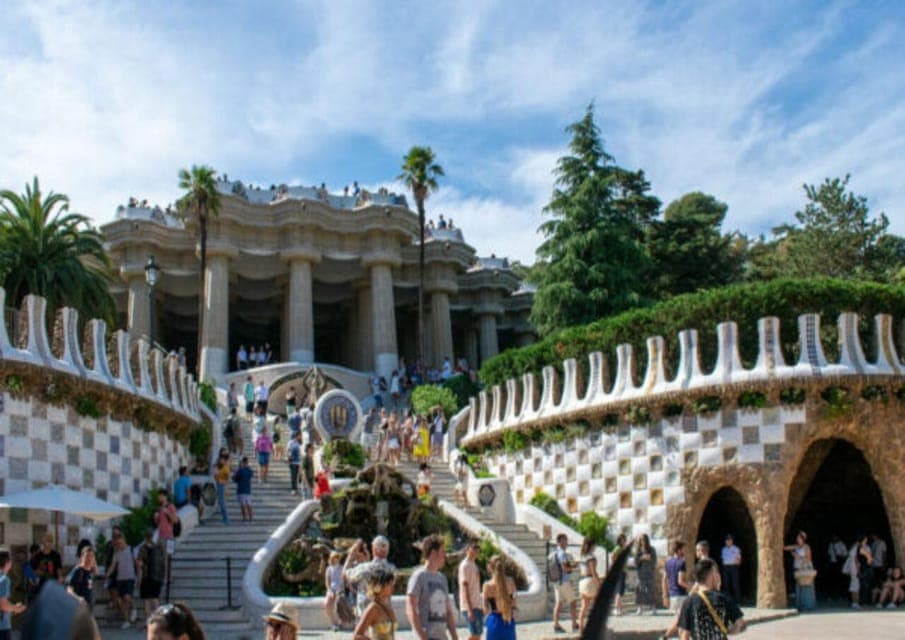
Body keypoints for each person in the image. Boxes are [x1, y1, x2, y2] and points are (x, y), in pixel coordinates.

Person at [677, 558, 745, 640]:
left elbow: (684, 634)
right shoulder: (724, 598)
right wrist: (729, 631)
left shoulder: (689, 602)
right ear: (712, 575)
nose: (719, 575)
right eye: (716, 572)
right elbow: (740, 624)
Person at [406, 534, 458, 640]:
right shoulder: (418, 576)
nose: (445, 555)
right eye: (443, 551)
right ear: (434, 553)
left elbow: (448, 610)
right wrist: (422, 636)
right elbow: (411, 609)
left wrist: (454, 636)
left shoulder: (442, 578)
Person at [345, 536, 396, 616]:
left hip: (365, 611)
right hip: (384, 611)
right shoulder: (392, 569)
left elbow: (346, 574)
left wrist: (351, 555)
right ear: (387, 550)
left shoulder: (364, 568)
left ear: (373, 548)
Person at [354, 567, 397, 640]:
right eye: (389, 584)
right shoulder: (373, 608)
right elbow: (357, 636)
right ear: (379, 587)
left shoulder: (387, 605)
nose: (392, 587)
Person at [482, 555, 516, 640]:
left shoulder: (487, 585)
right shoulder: (510, 582)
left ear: (490, 567)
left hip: (494, 621)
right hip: (508, 619)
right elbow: (514, 602)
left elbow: (485, 608)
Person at [138, 529, 167, 623]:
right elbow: (164, 561)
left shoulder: (143, 548)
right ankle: (158, 620)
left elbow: (140, 564)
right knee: (155, 598)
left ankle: (148, 621)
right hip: (158, 576)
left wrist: (139, 578)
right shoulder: (160, 547)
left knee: (147, 599)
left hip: (146, 576)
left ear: (145, 538)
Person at [108, 534, 137, 629]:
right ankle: (126, 620)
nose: (119, 545)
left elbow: (137, 563)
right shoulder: (117, 553)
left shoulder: (132, 550)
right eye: (117, 544)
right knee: (121, 601)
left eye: (120, 543)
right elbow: (113, 565)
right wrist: (107, 574)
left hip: (130, 578)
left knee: (127, 597)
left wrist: (140, 576)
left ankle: (134, 608)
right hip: (120, 579)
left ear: (124, 540)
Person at [551, 533, 577, 633]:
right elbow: (564, 568)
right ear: (561, 541)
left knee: (559, 603)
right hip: (563, 581)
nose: (566, 542)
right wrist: (573, 567)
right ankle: (574, 624)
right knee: (573, 602)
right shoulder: (561, 553)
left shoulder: (554, 552)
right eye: (565, 540)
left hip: (556, 581)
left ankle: (556, 624)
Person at [784, 530, 815, 611]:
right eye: (797, 538)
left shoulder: (806, 547)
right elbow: (787, 548)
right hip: (798, 569)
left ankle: (808, 605)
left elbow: (808, 559)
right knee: (799, 587)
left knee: (806, 586)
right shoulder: (797, 547)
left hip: (804, 568)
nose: (797, 540)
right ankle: (800, 605)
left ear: (803, 539)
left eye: (799, 538)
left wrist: (797, 556)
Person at [458, 540, 483, 640]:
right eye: (474, 548)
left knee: (478, 633)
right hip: (470, 606)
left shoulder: (474, 565)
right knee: (474, 634)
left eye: (477, 548)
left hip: (477, 604)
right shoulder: (465, 565)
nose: (476, 550)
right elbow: (465, 587)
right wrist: (469, 609)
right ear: (467, 550)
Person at [0, 548, 27, 640]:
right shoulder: (4, 579)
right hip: (2, 627)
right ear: (7, 562)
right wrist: (17, 608)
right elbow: (3, 605)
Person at [843, 533, 873, 608]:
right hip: (857, 567)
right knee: (856, 584)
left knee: (855, 583)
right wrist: (858, 569)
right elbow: (867, 559)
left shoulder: (854, 547)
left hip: (855, 567)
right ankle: (856, 602)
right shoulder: (861, 548)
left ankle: (856, 602)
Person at [577, 538, 600, 631]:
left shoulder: (582, 556)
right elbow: (593, 572)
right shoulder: (591, 557)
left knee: (584, 606)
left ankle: (581, 626)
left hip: (582, 581)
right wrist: (598, 583)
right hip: (589, 581)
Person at [663, 542, 690, 617]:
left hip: (672, 596)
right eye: (683, 549)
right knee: (683, 622)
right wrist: (690, 586)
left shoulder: (667, 563)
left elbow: (664, 579)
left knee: (676, 620)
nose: (684, 551)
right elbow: (680, 581)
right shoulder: (681, 563)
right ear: (679, 550)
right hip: (681, 595)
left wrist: (665, 595)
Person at [635, 534, 658, 614]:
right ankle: (640, 608)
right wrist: (641, 558)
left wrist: (649, 559)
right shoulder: (638, 551)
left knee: (651, 590)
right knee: (639, 591)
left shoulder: (652, 550)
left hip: (649, 573)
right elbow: (635, 562)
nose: (643, 542)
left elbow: (654, 561)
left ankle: (653, 607)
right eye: (641, 540)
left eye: (644, 540)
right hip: (640, 574)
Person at [154, 489, 179, 557]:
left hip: (169, 536)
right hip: (161, 536)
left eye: (161, 496)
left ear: (165, 497)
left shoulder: (171, 506)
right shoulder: (159, 508)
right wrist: (155, 518)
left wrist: (167, 512)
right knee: (161, 558)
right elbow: (157, 523)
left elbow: (175, 520)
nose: (159, 498)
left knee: (168, 557)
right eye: (158, 497)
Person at [325, 552, 344, 631]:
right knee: (327, 604)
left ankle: (339, 623)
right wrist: (329, 591)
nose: (335, 559)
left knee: (337, 604)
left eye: (336, 557)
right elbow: (327, 582)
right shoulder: (329, 569)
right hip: (331, 589)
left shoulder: (342, 568)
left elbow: (344, 581)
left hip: (340, 589)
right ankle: (333, 623)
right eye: (333, 557)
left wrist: (340, 590)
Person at [720, 534, 742, 604]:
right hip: (726, 567)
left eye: (729, 540)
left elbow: (739, 559)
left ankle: (737, 600)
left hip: (733, 567)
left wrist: (738, 564)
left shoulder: (736, 549)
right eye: (726, 540)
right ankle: (727, 600)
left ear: (732, 541)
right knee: (726, 584)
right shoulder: (723, 549)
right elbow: (722, 559)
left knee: (735, 584)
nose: (728, 541)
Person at [234, 456, 255, 521]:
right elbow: (251, 475)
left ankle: (244, 517)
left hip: (241, 489)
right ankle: (251, 517)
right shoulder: (249, 470)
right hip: (248, 489)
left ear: (242, 462)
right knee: (249, 503)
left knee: (243, 504)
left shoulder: (240, 470)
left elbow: (235, 479)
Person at [612, 534, 628, 616]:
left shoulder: (621, 548)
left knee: (620, 591)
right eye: (622, 539)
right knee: (619, 590)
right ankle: (617, 608)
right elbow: (613, 556)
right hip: (620, 572)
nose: (624, 541)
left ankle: (620, 608)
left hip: (622, 571)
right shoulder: (618, 548)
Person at [213, 455, 231, 524]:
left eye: (223, 460)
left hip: (222, 484)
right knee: (221, 502)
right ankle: (225, 518)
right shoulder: (218, 467)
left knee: (222, 502)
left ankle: (226, 519)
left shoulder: (225, 468)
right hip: (219, 484)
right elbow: (215, 476)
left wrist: (219, 477)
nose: (221, 461)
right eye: (220, 460)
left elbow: (227, 478)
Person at [287, 431, 302, 495]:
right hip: (293, 462)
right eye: (300, 435)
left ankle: (299, 488)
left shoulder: (301, 443)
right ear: (297, 436)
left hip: (300, 462)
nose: (301, 437)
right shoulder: (291, 442)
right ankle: (294, 489)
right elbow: (288, 450)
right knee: (293, 476)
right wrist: (288, 458)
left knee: (300, 476)